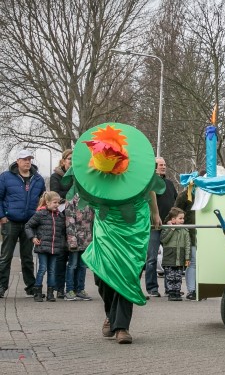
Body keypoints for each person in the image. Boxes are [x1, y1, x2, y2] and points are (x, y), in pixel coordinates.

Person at [65, 123, 165, 344]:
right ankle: (111, 316)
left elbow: (149, 188)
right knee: (103, 275)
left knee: (127, 273)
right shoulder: (95, 173)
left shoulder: (137, 167)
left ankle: (122, 327)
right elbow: (85, 188)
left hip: (134, 225)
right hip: (107, 222)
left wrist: (155, 214)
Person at [0, 149, 47, 298]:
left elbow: (42, 200)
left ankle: (31, 287)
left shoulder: (38, 179)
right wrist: (2, 216)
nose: (27, 162)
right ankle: (1, 286)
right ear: (18, 161)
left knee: (27, 257)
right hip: (10, 221)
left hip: (29, 223)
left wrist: (38, 218)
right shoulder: (6, 177)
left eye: (29, 159)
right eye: (24, 159)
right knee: (5, 256)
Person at [145, 156, 177, 297]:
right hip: (154, 227)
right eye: (160, 165)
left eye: (164, 164)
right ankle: (152, 288)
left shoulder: (169, 184)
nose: (163, 167)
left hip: (169, 227)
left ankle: (170, 288)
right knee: (151, 258)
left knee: (169, 259)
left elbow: (175, 204)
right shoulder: (150, 184)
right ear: (154, 167)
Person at [25, 191, 66, 302]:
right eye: (54, 202)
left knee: (52, 270)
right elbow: (28, 226)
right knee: (42, 269)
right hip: (42, 247)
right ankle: (37, 292)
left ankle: (50, 293)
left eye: (58, 202)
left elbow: (62, 231)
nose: (57, 205)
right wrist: (33, 238)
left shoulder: (60, 216)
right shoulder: (40, 214)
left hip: (55, 247)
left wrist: (61, 244)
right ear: (47, 202)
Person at [49, 149, 73, 299]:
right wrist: (70, 197)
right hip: (61, 216)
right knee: (60, 255)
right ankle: (58, 287)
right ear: (63, 161)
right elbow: (56, 195)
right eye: (70, 159)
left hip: (76, 219)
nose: (72, 161)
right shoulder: (55, 176)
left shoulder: (78, 177)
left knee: (74, 256)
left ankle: (74, 287)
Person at [63, 193, 94, 301]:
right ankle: (69, 290)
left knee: (82, 265)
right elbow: (69, 221)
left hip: (87, 239)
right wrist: (72, 241)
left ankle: (80, 289)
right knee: (72, 265)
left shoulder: (90, 198)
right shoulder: (72, 200)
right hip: (75, 239)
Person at [161, 207, 190, 302]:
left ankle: (177, 291)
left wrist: (187, 258)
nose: (182, 220)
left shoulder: (185, 231)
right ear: (173, 219)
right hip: (169, 258)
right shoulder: (167, 229)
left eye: (183, 218)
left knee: (178, 277)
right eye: (180, 218)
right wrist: (171, 229)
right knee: (170, 276)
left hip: (180, 258)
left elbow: (187, 245)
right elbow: (163, 240)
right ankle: (171, 292)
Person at [174, 186, 198, 300]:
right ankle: (191, 290)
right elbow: (175, 212)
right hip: (190, 234)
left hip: (202, 234)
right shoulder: (184, 195)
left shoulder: (207, 194)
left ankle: (198, 288)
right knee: (192, 261)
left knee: (196, 262)